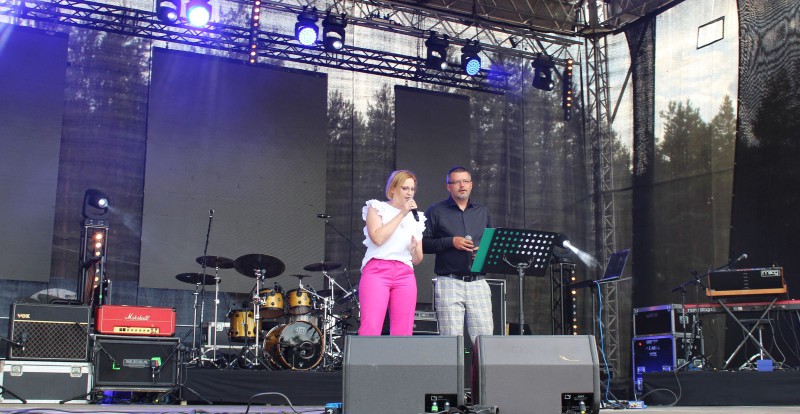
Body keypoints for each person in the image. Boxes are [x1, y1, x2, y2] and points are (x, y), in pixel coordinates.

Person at [422, 166, 493, 346]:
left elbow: (491, 242)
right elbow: (423, 244)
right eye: (457, 182)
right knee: (451, 341)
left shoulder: (482, 211)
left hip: (478, 282)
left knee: (485, 341)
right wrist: (451, 242)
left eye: (465, 181)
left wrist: (483, 252)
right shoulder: (436, 210)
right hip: (449, 281)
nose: (462, 185)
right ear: (449, 186)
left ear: (471, 185)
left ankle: (481, 367)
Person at [357, 170, 425, 336]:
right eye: (405, 188)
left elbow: (418, 259)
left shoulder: (416, 217)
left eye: (412, 189)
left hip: (405, 273)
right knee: (371, 325)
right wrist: (402, 213)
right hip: (378, 269)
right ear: (393, 189)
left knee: (404, 329)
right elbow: (378, 238)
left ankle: (400, 354)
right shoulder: (377, 207)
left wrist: (415, 250)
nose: (409, 193)